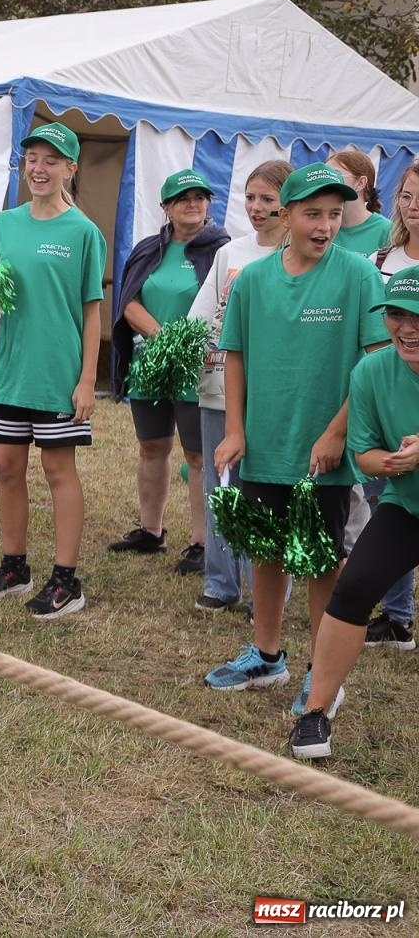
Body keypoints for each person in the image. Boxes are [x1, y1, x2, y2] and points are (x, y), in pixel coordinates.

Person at [207, 163, 385, 713]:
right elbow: (234, 355)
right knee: (266, 551)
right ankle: (266, 654)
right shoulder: (255, 279)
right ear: (284, 216)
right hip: (266, 443)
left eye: (334, 214)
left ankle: (320, 669)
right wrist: (235, 429)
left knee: (321, 561)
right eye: (312, 213)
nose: (325, 225)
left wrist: (337, 433)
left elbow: (375, 361)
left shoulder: (359, 275)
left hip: (323, 453)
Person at [0, 122, 105, 619]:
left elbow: (92, 311)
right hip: (11, 369)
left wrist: (88, 379)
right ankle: (14, 566)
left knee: (56, 469)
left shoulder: (84, 232)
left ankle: (67, 579)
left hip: (59, 375)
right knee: (6, 467)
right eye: (32, 159)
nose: (39, 168)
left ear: (71, 169)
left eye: (52, 160)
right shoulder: (5, 224)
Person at [288, 266, 419, 758]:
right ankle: (315, 712)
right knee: (354, 586)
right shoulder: (370, 372)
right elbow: (362, 454)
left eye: (417, 316)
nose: (407, 328)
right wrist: (395, 461)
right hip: (408, 505)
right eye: (397, 315)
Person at [108, 169, 231, 574]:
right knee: (151, 448)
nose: (191, 204)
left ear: (208, 204)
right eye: (181, 198)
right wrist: (162, 338)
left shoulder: (224, 251)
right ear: (166, 207)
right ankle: (151, 531)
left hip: (201, 368)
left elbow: (226, 308)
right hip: (152, 363)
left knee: (198, 455)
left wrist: (188, 344)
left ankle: (200, 542)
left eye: (199, 197)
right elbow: (128, 302)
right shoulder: (148, 249)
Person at [186, 160, 290, 613]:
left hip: (268, 390)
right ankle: (220, 581)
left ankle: (262, 587)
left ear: (288, 204)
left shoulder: (295, 255)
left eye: (268, 199)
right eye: (250, 198)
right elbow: (204, 310)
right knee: (219, 483)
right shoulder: (233, 252)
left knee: (261, 491)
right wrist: (188, 353)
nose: (256, 207)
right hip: (220, 382)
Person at [344, 158, 419, 645]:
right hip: (390, 394)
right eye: (408, 197)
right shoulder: (383, 257)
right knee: (388, 499)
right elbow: (378, 339)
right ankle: (396, 612)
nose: (414, 209)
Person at [326, 148, 393, 258]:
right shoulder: (321, 226)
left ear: (361, 183)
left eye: (335, 175)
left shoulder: (387, 231)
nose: (326, 183)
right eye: (326, 176)